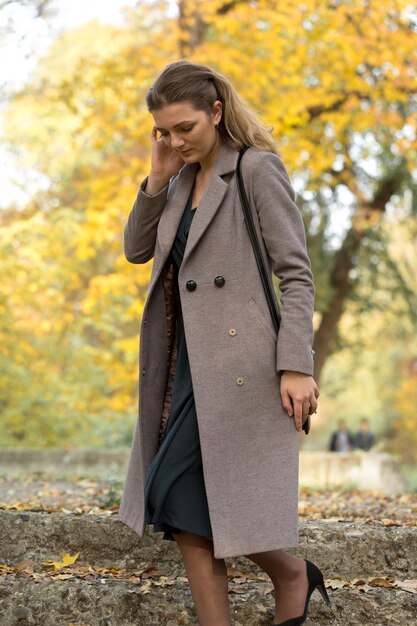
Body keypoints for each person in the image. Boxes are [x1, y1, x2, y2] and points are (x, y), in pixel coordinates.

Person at [117, 60, 331, 626]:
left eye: (184, 128)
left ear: (216, 111)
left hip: (240, 364)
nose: (175, 140)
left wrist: (296, 365)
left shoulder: (257, 170)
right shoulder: (179, 179)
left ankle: (289, 573)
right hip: (181, 362)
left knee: (170, 487)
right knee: (184, 505)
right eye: (164, 131)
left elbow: (297, 274)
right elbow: (137, 251)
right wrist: (158, 176)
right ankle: (289, 576)